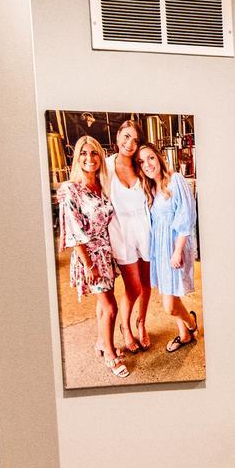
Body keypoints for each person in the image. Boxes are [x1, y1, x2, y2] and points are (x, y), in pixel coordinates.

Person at [56, 135, 127, 378]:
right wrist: (88, 264)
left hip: (105, 252)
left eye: (94, 153)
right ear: (77, 158)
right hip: (89, 256)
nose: (90, 158)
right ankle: (109, 353)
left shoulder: (101, 185)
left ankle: (101, 342)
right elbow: (74, 230)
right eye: (84, 154)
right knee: (110, 307)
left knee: (102, 304)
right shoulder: (70, 190)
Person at [137, 144, 201, 352]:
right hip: (160, 250)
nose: (147, 164)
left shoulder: (175, 180)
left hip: (175, 248)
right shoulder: (151, 188)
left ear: (159, 158)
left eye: (150, 158)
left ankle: (191, 325)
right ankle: (184, 336)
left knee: (169, 306)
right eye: (142, 162)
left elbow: (186, 216)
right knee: (173, 295)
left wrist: (177, 250)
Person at [103, 118, 154, 355]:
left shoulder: (140, 165)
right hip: (121, 233)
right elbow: (84, 183)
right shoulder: (105, 165)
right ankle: (125, 326)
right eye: (126, 136)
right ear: (118, 136)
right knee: (133, 287)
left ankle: (141, 323)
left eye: (135, 139)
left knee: (146, 283)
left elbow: (160, 177)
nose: (130, 143)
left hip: (145, 230)